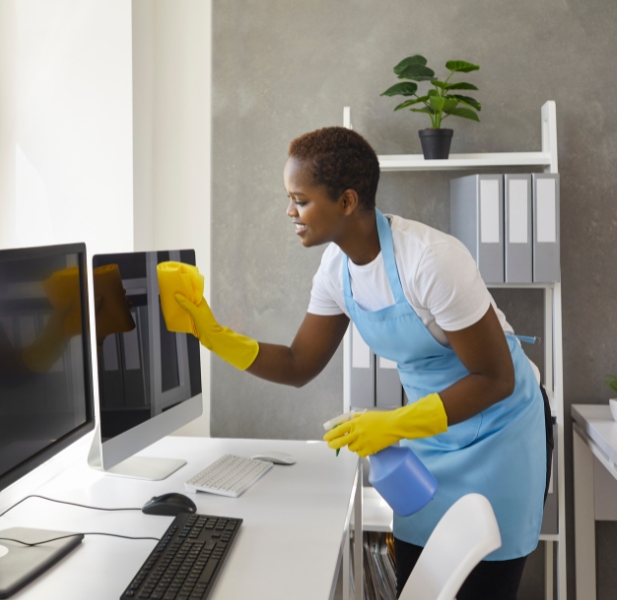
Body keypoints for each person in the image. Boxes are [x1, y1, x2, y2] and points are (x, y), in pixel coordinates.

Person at [173, 127, 551, 600]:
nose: (289, 212)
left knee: (480, 585)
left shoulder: (431, 261)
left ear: (347, 201)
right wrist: (212, 334)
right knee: (423, 582)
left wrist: (396, 423)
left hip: (499, 435)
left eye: (300, 200)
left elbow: (496, 378)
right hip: (429, 439)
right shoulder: (337, 269)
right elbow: (297, 364)